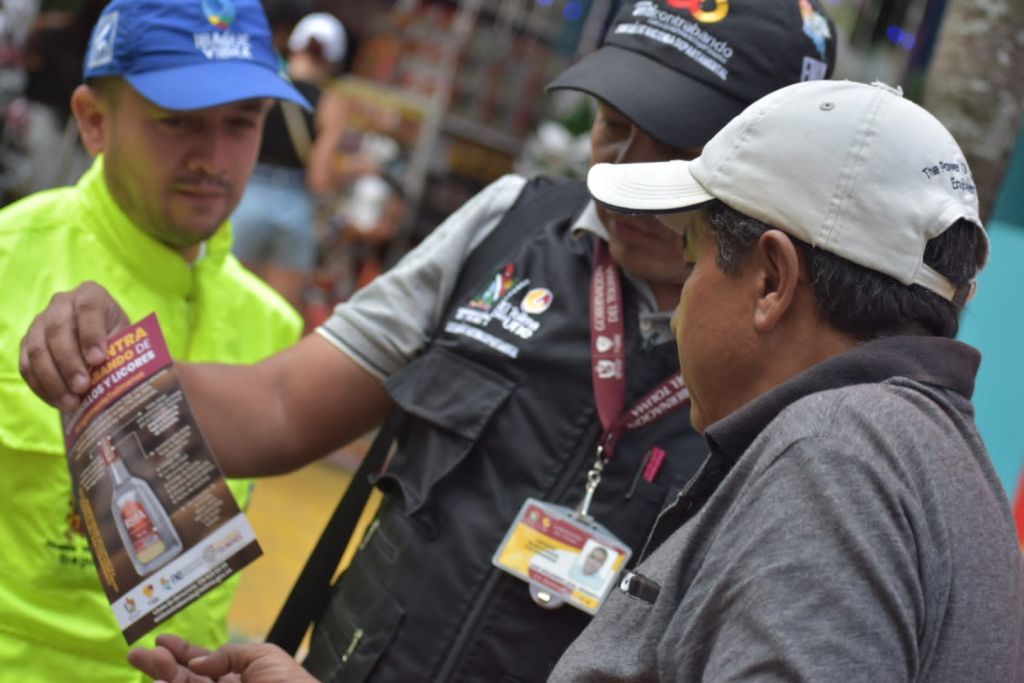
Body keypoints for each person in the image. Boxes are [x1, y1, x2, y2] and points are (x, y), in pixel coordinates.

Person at [19, 1, 838, 680]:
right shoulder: (511, 224)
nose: (621, 169)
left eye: (673, 142)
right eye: (611, 126)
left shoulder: (809, 370)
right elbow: (276, 403)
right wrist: (101, 362)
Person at [548, 79, 1024, 681]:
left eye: (692, 260)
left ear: (772, 281)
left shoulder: (833, 457)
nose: (680, 309)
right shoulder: (934, 458)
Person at [0, 0, 310, 680]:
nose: (215, 158)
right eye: (178, 123)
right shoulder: (7, 264)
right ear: (93, 120)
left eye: (242, 122)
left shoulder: (274, 329)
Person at [231, 11, 351, 310]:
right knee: (275, 315)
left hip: (246, 196)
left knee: (223, 301)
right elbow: (320, 179)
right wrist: (358, 170)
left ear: (294, 45)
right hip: (296, 208)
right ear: (334, 60)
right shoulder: (331, 104)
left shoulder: (262, 85)